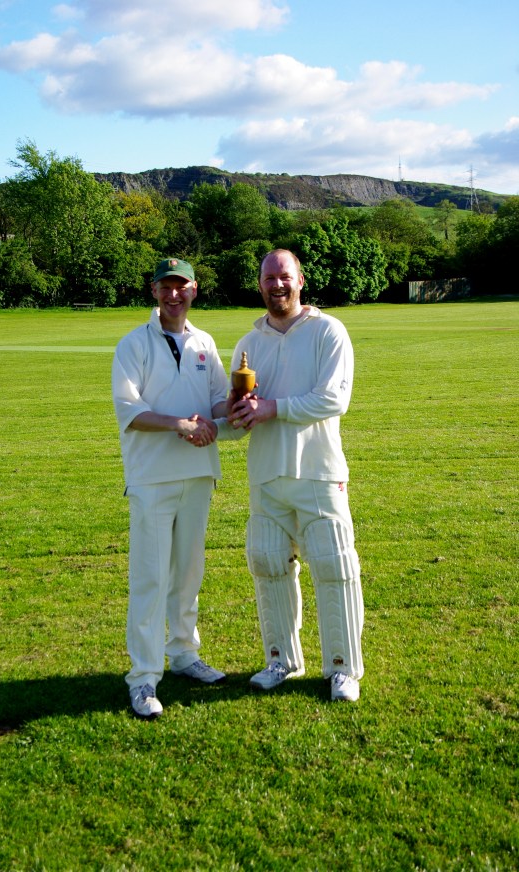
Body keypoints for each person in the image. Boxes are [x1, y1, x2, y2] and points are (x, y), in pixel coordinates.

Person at [227, 249, 364, 701]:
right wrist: (227, 418)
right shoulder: (250, 343)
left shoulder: (328, 331)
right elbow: (240, 413)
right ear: (260, 284)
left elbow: (332, 399)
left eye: (284, 277)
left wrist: (273, 408)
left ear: (300, 280)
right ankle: (281, 660)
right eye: (269, 278)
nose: (277, 285)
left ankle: (342, 668)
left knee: (333, 566)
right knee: (268, 563)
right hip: (266, 474)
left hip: (319, 472)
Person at [112, 257, 229, 719]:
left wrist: (228, 413)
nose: (173, 294)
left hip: (199, 473)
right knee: (151, 578)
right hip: (151, 478)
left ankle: (184, 654)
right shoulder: (133, 344)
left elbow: (218, 397)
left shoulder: (205, 342)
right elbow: (131, 411)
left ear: (194, 290)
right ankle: (143, 677)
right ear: (154, 290)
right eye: (166, 286)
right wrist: (180, 424)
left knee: (187, 574)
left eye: (181, 286)